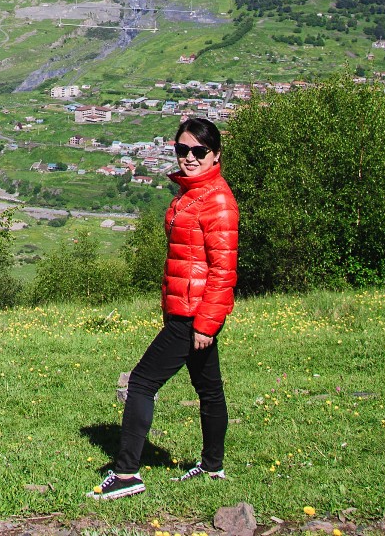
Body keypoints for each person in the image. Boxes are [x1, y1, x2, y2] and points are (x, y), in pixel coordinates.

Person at [90, 115, 237, 499]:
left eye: (199, 151)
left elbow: (224, 271)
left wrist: (206, 323)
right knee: (209, 389)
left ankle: (126, 476)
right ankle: (212, 466)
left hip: (193, 313)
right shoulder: (191, 194)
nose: (189, 157)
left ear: (215, 155)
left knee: (141, 383)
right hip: (184, 307)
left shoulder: (217, 201)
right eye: (182, 149)